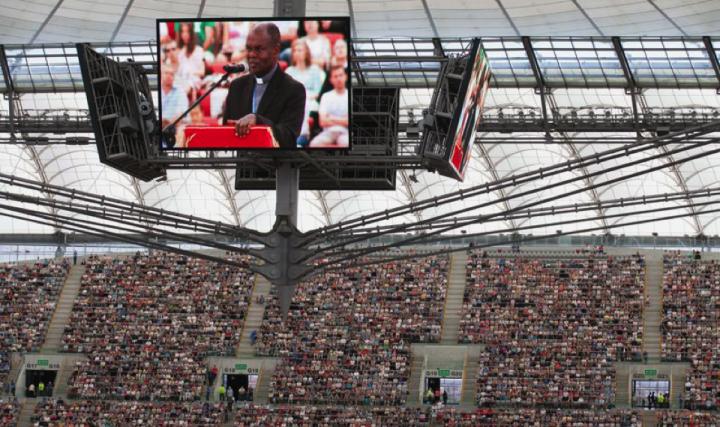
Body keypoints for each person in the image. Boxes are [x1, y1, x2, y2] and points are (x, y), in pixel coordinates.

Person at [222, 23, 306, 149]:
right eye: (249, 49)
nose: (251, 55)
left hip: (274, 160)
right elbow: (226, 131)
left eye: (259, 49)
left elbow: (288, 137)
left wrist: (258, 120)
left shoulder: (293, 89)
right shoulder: (237, 86)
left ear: (276, 50)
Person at [310, 66, 349, 148]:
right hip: (328, 132)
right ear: (331, 80)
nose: (339, 79)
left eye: (341, 75)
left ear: (346, 76)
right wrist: (343, 120)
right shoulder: (326, 96)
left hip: (345, 133)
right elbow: (322, 122)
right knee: (314, 144)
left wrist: (331, 118)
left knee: (346, 144)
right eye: (335, 76)